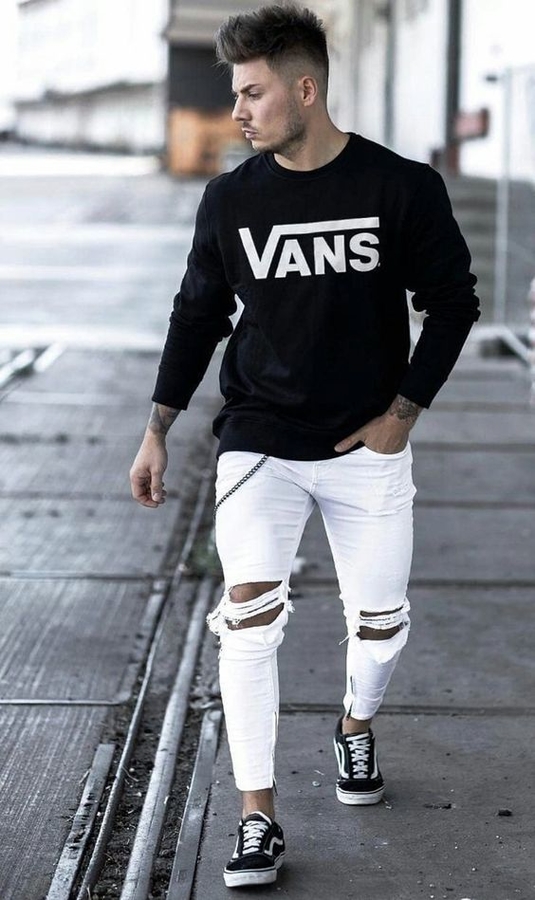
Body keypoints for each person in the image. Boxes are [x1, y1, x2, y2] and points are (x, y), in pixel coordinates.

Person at [130, 3, 480, 889]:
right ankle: (258, 816)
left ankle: (354, 726)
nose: (237, 111)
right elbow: (197, 315)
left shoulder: (399, 187)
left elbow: (453, 302)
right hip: (259, 436)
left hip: (366, 442)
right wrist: (158, 427)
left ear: (306, 89)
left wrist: (402, 413)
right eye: (235, 94)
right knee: (247, 617)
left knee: (381, 626)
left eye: (252, 93)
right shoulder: (232, 198)